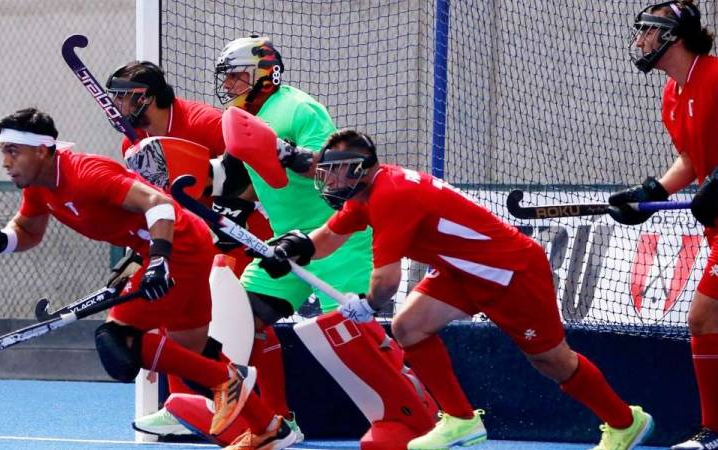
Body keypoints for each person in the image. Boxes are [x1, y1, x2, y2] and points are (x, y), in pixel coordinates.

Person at [260, 129, 655, 450]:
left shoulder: (390, 196)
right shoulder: (366, 195)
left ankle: (625, 422)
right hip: (461, 272)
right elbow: (329, 235)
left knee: (553, 362)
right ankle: (462, 421)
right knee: (408, 327)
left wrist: (367, 304)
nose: (327, 179)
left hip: (509, 273)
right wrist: (297, 248)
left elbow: (386, 282)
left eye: (336, 170)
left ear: (360, 170)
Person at [0, 107, 297, 449]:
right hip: (183, 245)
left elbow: (159, 203)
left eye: (13, 151)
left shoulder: (84, 173)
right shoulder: (39, 187)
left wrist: (159, 260)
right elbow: (28, 229)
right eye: (3, 151)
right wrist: (0, 242)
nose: (5, 162)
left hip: (177, 247)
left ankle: (226, 381)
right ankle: (270, 426)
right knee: (193, 349)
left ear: (42, 150)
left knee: (117, 339)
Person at [210, 35, 374, 445]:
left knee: (360, 339)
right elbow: (250, 181)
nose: (228, 85)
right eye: (226, 78)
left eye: (236, 76)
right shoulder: (241, 117)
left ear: (265, 74)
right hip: (286, 243)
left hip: (336, 237)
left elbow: (332, 171)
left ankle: (418, 415)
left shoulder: (299, 108)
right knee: (239, 321)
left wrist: (286, 152)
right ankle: (277, 423)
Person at [105, 61, 275, 439]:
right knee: (169, 297)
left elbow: (254, 168)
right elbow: (156, 202)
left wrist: (232, 212)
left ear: (146, 96)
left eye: (122, 95)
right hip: (193, 234)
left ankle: (277, 412)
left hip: (244, 227)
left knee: (249, 317)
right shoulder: (131, 142)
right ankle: (184, 404)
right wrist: (145, 251)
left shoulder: (204, 122)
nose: (115, 103)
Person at [610, 2, 718, 448]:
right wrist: (651, 193)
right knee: (706, 319)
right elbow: (692, 161)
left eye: (647, 32)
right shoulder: (673, 94)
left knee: (703, 316)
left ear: (673, 36)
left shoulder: (716, 77)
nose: (639, 41)